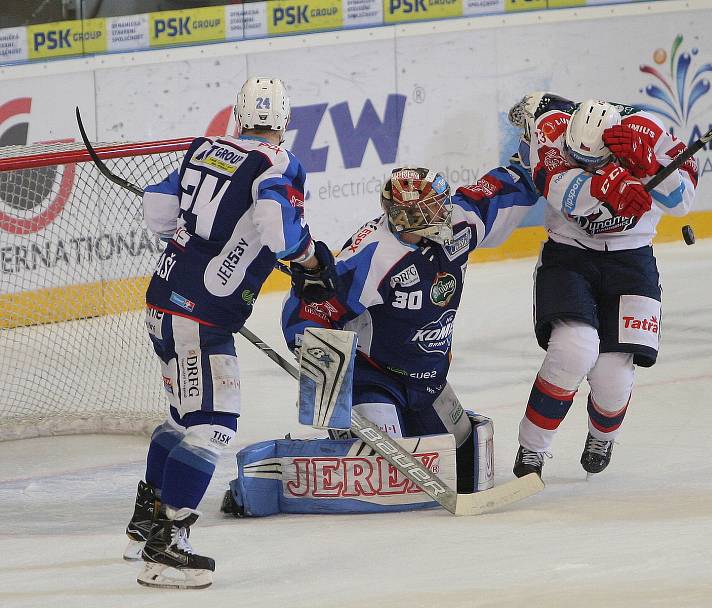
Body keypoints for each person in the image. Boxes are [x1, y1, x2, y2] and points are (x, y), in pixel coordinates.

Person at [125, 76, 336, 590]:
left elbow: (158, 210)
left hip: (165, 300)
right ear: (285, 121)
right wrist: (309, 261)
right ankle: (167, 548)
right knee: (214, 425)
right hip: (200, 316)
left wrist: (208, 243)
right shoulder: (278, 163)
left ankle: (145, 525)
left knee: (182, 419)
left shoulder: (204, 147)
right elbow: (276, 224)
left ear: (238, 116)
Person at [281, 158, 540, 493]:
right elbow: (305, 312)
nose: (446, 212)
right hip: (373, 377)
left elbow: (497, 193)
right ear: (407, 217)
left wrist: (538, 160)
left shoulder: (456, 228)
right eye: (434, 208)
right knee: (387, 474)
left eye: (442, 204)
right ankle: (326, 450)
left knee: (466, 463)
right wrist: (323, 375)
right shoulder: (373, 257)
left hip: (428, 379)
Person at [507, 93, 698, 479]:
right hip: (569, 256)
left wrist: (648, 169)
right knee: (573, 350)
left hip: (631, 261)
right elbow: (558, 187)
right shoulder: (552, 130)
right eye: (577, 157)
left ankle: (602, 435)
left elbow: (681, 202)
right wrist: (605, 184)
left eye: (593, 161)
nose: (582, 164)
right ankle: (532, 448)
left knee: (614, 376)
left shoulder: (651, 131)